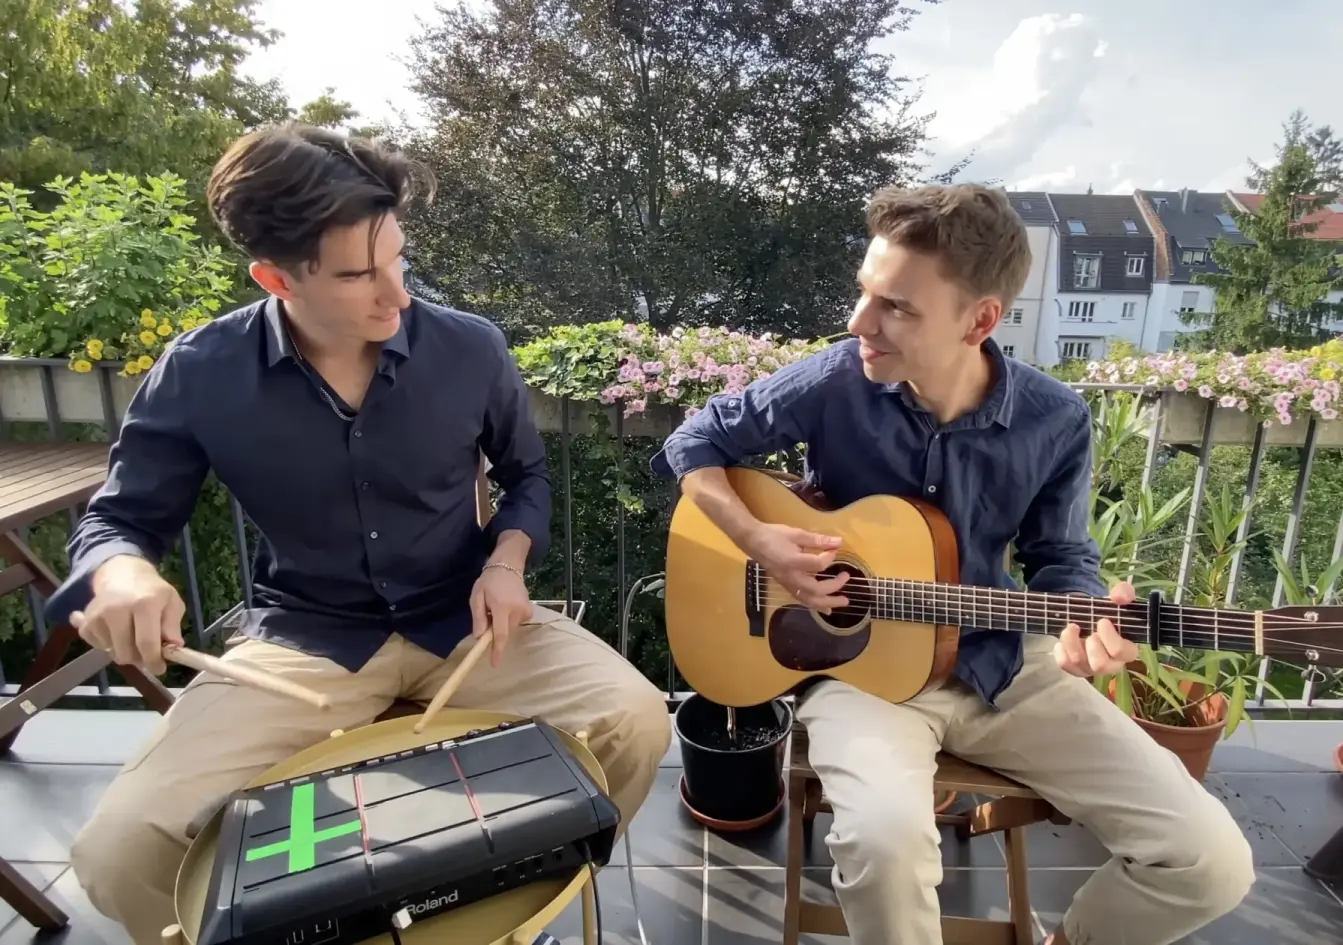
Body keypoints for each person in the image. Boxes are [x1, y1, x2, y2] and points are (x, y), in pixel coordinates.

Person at [46, 123, 671, 945]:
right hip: (306, 638)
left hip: (464, 620)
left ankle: (528, 897)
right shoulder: (201, 370)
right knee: (120, 851)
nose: (396, 294)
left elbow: (527, 477)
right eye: (356, 275)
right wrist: (123, 573)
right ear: (275, 277)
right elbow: (119, 519)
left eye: (398, 259)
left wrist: (507, 563)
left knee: (635, 719)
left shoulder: (469, 348)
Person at [650, 183, 1255, 945]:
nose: (858, 321)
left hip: (1002, 668)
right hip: (860, 676)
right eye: (864, 292)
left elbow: (1060, 554)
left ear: (980, 320)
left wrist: (1081, 620)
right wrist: (759, 538)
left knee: (1209, 862)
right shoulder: (837, 378)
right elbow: (694, 442)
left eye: (895, 307)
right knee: (882, 844)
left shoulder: (1054, 418)